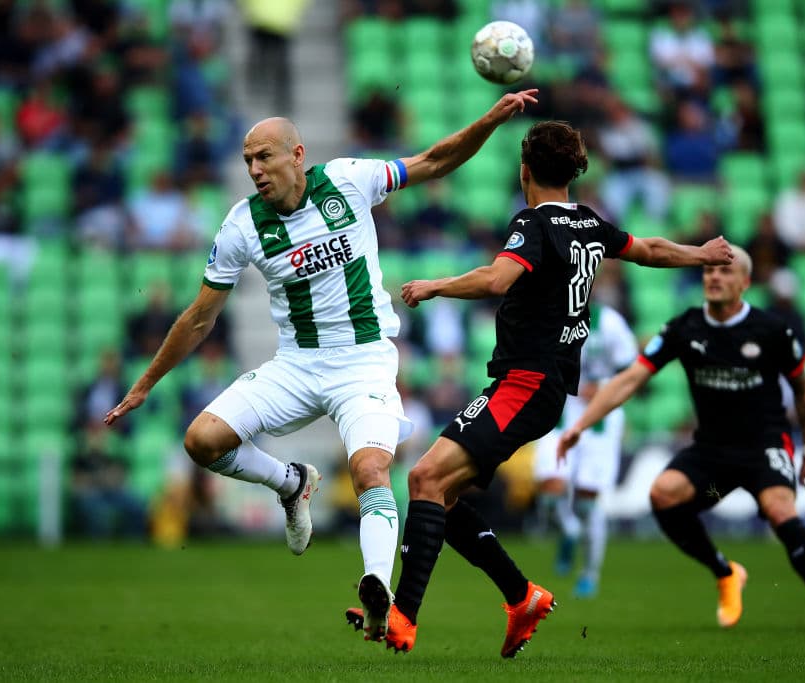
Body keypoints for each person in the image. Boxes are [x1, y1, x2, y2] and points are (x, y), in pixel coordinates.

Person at [104, 89, 541, 639]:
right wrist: (145, 384)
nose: (255, 170)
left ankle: (378, 590)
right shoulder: (242, 226)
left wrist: (491, 119)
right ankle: (291, 483)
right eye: (247, 161)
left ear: (298, 155)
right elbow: (199, 317)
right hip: (296, 365)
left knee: (371, 471)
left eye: (265, 156)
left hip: (364, 362)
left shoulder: (349, 180)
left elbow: (433, 161)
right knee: (201, 440)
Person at [352, 120, 733, 656]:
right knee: (440, 491)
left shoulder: (533, 224)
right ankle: (520, 595)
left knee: (425, 476)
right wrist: (701, 253)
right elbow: (647, 248)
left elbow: (496, 280)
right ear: (574, 172)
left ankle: (404, 616)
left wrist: (435, 285)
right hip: (541, 385)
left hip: (526, 382)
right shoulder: (590, 224)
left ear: (524, 170)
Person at [558, 245, 805, 635]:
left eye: (724, 271)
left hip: (763, 451)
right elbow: (631, 378)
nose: (714, 277)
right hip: (715, 466)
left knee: (779, 510)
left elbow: (804, 392)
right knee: (663, 495)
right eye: (708, 271)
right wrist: (580, 425)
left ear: (745, 283)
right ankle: (725, 571)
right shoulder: (685, 328)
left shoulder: (771, 331)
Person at [532, 300, 638, 599]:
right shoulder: (548, 314)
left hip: (600, 417)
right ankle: (569, 531)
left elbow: (632, 368)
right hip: (560, 411)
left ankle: (589, 573)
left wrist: (603, 384)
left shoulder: (610, 322)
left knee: (587, 502)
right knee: (549, 492)